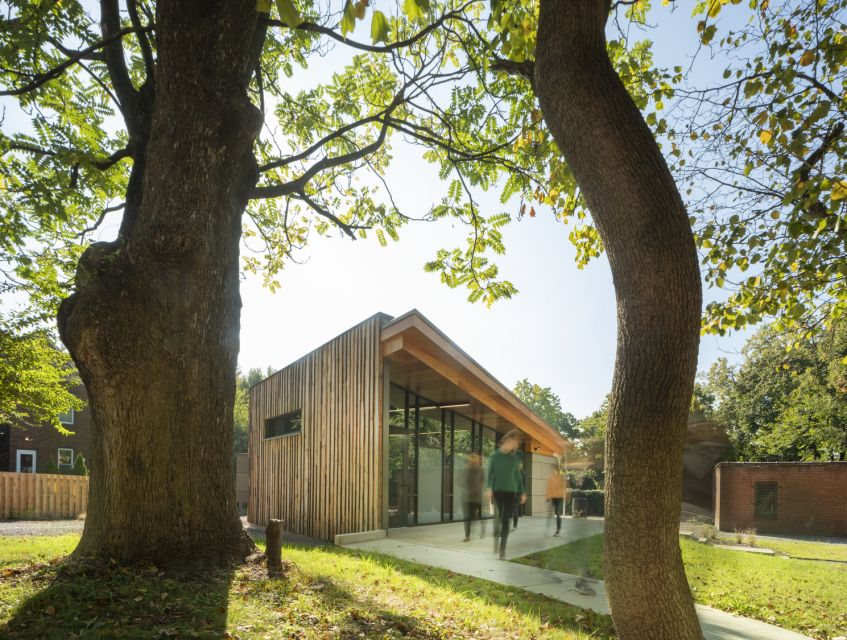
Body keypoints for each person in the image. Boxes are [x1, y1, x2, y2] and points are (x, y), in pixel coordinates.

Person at [485, 430, 526, 560]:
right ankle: (496, 540)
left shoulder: (514, 457)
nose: (515, 446)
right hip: (497, 491)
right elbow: (490, 473)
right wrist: (488, 487)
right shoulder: (495, 457)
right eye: (514, 443)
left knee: (505, 520)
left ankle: (502, 549)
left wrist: (523, 491)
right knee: (498, 518)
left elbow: (518, 477)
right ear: (508, 441)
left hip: (511, 492)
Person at [461, 453, 485, 541]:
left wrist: (478, 488)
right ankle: (467, 536)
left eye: (475, 459)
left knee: (478, 516)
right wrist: (465, 486)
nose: (474, 460)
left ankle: (483, 530)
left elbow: (482, 481)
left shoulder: (481, 470)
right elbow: (460, 480)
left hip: (477, 497)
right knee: (467, 517)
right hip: (467, 497)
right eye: (472, 458)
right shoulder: (466, 469)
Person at [546, 463, 567, 536]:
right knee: (554, 514)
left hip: (560, 498)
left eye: (558, 469)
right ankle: (553, 528)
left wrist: (564, 496)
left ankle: (558, 530)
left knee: (558, 514)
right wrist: (548, 496)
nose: (557, 471)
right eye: (556, 469)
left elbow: (564, 487)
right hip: (553, 498)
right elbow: (549, 487)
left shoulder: (562, 477)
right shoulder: (551, 477)